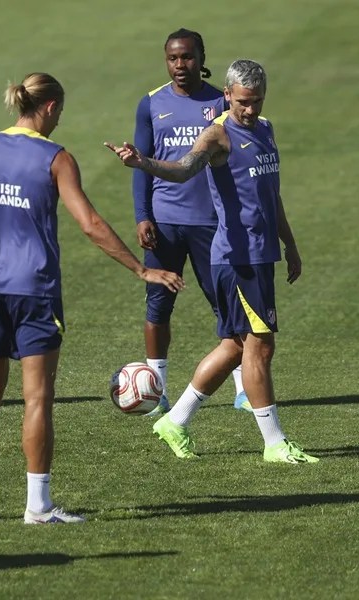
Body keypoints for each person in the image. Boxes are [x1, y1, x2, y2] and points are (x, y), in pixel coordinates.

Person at [0, 73, 185, 524]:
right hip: (35, 292)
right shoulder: (56, 158)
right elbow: (89, 224)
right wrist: (142, 268)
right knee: (37, 400)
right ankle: (38, 506)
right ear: (50, 107)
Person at [106, 59, 318, 464]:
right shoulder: (218, 136)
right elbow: (184, 169)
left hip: (260, 255)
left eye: (256, 101)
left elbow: (272, 195)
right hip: (236, 258)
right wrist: (142, 163)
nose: (250, 110)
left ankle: (175, 421)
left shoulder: (266, 130)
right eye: (243, 102)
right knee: (261, 345)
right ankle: (274, 443)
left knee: (235, 346)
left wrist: (289, 244)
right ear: (227, 95)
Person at [132, 28, 250, 416]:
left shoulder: (221, 101)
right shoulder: (150, 104)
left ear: (201, 57)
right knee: (158, 304)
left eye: (187, 57)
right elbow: (142, 164)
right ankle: (156, 389)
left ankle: (244, 390)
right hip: (165, 222)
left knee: (227, 305)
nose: (180, 65)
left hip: (211, 223)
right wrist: (142, 215)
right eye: (172, 58)